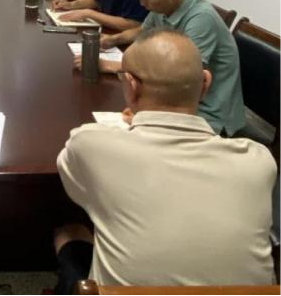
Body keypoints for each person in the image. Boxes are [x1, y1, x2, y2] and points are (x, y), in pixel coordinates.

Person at [55, 29, 275, 293]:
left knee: (70, 232)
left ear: (131, 86)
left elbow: (76, 191)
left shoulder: (90, 145)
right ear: (205, 84)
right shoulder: (258, 161)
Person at [84, 0, 245, 137]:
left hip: (207, 111)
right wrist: (112, 40)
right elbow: (141, 32)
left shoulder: (202, 18)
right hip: (174, 97)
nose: (142, 3)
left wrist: (112, 66)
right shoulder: (163, 8)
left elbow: (184, 74)